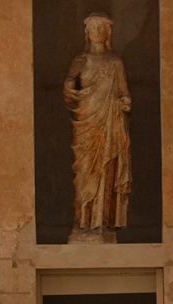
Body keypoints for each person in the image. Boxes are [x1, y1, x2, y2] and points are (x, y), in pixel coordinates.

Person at [63, 11, 131, 241]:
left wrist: (124, 102)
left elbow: (124, 93)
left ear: (107, 32)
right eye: (93, 29)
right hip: (86, 125)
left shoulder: (115, 63)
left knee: (105, 172)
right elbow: (69, 92)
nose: (97, 32)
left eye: (101, 28)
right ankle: (83, 223)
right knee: (84, 174)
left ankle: (102, 223)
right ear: (87, 33)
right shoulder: (79, 61)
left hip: (109, 125)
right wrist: (69, 86)